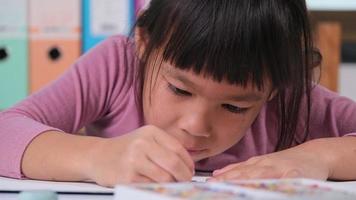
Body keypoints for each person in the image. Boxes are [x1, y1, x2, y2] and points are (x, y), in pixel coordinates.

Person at [1, 0, 356, 188]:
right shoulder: (118, 65)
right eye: (179, 89)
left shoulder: (289, 96)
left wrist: (321, 157)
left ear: (275, 88)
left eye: (234, 106)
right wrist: (96, 157)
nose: (196, 126)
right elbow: (6, 131)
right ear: (144, 44)